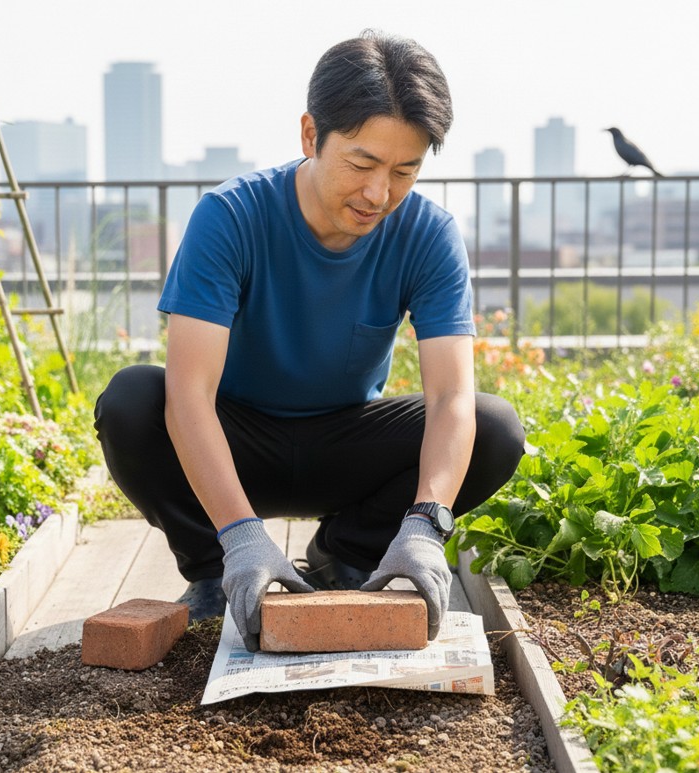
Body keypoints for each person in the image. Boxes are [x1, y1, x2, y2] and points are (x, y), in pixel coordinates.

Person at [94, 30, 525, 653]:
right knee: (133, 399)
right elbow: (188, 395)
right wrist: (242, 533)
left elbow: (453, 396)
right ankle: (216, 569)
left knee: (493, 425)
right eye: (362, 164)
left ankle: (344, 555)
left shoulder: (428, 234)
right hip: (235, 442)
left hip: (345, 446)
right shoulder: (231, 217)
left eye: (404, 171)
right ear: (309, 135)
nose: (379, 194)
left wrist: (427, 524)